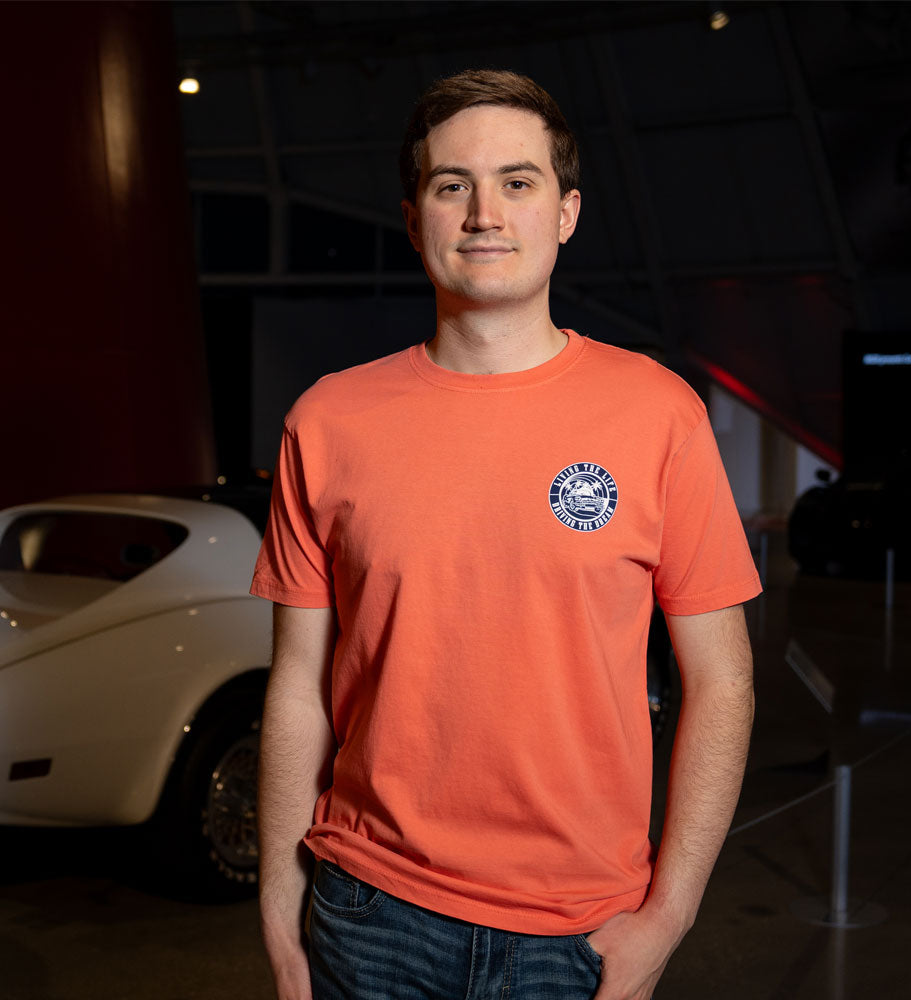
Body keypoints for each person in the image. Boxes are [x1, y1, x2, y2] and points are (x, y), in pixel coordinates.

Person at [251, 69, 760, 1000]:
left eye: (517, 182)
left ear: (565, 214)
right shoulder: (327, 423)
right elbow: (297, 687)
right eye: (453, 186)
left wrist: (669, 916)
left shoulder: (659, 415)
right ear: (416, 220)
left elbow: (722, 680)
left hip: (579, 934)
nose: (485, 212)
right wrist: (281, 919)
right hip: (369, 917)